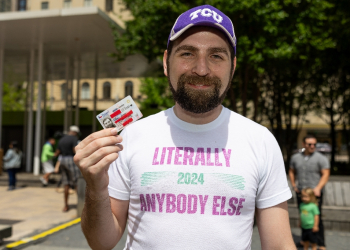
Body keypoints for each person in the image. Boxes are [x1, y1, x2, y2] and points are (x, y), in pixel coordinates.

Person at [74, 5, 296, 250]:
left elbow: (279, 245)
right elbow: (100, 242)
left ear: (233, 67)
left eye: (216, 56)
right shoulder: (131, 136)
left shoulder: (260, 140)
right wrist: (95, 187)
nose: (201, 70)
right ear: (166, 62)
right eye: (187, 53)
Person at [289, 135, 330, 250]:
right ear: (304, 144)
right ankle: (304, 240)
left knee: (317, 216)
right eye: (309, 144)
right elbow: (291, 171)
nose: (312, 146)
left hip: (314, 193)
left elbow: (326, 174)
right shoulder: (295, 157)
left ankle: (321, 243)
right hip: (302, 193)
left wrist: (318, 188)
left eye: (314, 144)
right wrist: (293, 184)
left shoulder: (321, 158)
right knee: (304, 215)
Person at [56, 125, 81, 212]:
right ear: (75, 132)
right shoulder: (74, 138)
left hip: (62, 160)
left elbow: (57, 152)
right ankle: (81, 205)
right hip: (71, 159)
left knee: (66, 184)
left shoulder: (62, 139)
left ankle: (66, 206)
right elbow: (75, 150)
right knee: (77, 182)